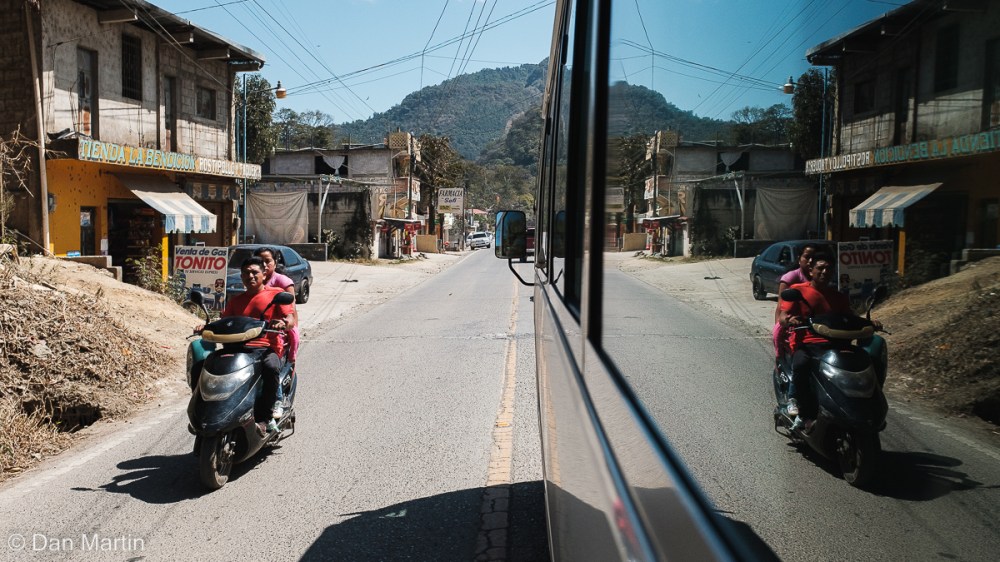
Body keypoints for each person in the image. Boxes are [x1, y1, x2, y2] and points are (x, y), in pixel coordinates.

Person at [777, 253, 881, 430]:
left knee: (863, 361)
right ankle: (798, 404)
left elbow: (849, 318)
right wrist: (789, 320)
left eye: (829, 268)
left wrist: (870, 323)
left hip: (837, 344)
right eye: (820, 268)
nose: (825, 271)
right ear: (811, 270)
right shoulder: (798, 291)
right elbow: (783, 315)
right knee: (802, 363)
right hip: (809, 343)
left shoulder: (838, 296)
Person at [215, 256, 296, 433]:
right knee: (210, 364)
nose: (250, 276)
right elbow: (224, 321)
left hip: (265, 347)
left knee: (271, 367)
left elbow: (290, 318)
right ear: (241, 276)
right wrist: (206, 326)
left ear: (264, 274)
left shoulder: (275, 294)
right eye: (245, 273)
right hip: (237, 347)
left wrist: (283, 322)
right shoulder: (235, 300)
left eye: (254, 272)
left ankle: (265, 417)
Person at [253, 247, 301, 363]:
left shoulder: (283, 282)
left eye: (268, 261)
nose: (264, 264)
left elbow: (291, 308)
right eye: (260, 261)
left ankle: (290, 361)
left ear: (275, 263)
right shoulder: (252, 280)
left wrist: (288, 325)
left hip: (277, 327)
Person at [772, 244, 819, 360]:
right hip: (792, 321)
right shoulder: (790, 278)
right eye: (807, 257)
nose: (810, 261)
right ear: (799, 259)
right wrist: (782, 325)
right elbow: (781, 306)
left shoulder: (820, 279)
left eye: (813, 258)